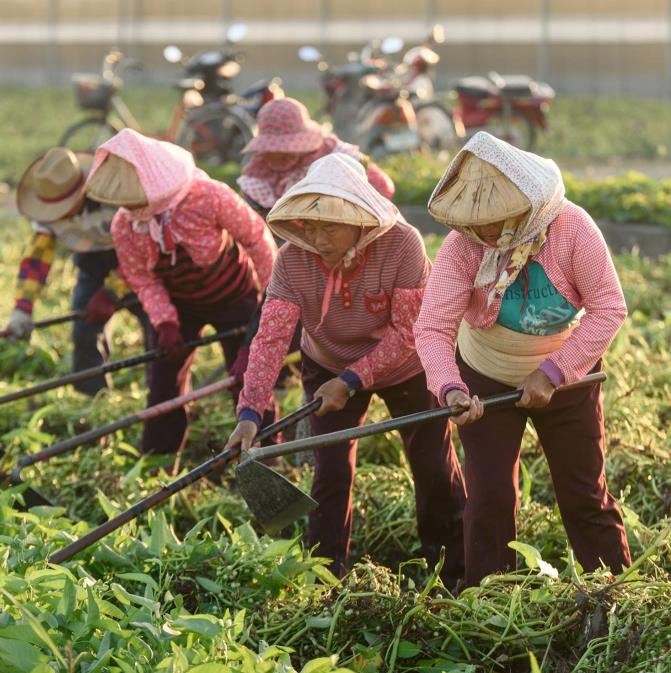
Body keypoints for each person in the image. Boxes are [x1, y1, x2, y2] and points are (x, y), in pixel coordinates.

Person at [225, 154, 466, 585]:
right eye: (311, 226)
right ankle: (326, 577)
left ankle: (452, 571)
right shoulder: (292, 260)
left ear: (360, 220)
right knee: (331, 472)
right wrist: (250, 414)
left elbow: (409, 331)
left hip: (406, 366)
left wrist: (354, 380)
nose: (318, 237)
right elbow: (270, 340)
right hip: (327, 360)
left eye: (330, 225)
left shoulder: (402, 245)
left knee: (432, 466)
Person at [414, 132, 631, 587]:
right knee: (489, 498)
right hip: (485, 375)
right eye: (480, 223)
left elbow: (609, 307)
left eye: (499, 221)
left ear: (528, 206)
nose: (488, 233)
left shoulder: (572, 229)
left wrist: (552, 373)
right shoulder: (462, 247)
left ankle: (616, 594)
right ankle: (491, 604)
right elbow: (433, 327)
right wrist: (451, 389)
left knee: (583, 492)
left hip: (566, 374)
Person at [84, 129, 278, 457]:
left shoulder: (207, 195)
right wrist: (165, 322)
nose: (129, 206)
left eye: (134, 197)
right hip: (180, 305)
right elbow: (143, 279)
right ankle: (159, 459)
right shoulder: (126, 224)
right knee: (163, 384)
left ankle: (264, 455)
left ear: (154, 182)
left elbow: (256, 238)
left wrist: (271, 299)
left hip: (235, 296)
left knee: (249, 379)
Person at [6, 147, 150, 395]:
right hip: (92, 266)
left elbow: (145, 245)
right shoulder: (47, 205)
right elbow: (37, 258)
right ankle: (92, 400)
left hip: (139, 264)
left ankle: (163, 396)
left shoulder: (117, 195)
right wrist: (22, 308)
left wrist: (113, 290)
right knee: (85, 333)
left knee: (158, 330)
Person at [237, 97, 395, 215]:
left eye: (285, 153)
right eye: (271, 151)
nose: (276, 157)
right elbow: (252, 217)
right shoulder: (259, 171)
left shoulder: (332, 155)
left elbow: (382, 186)